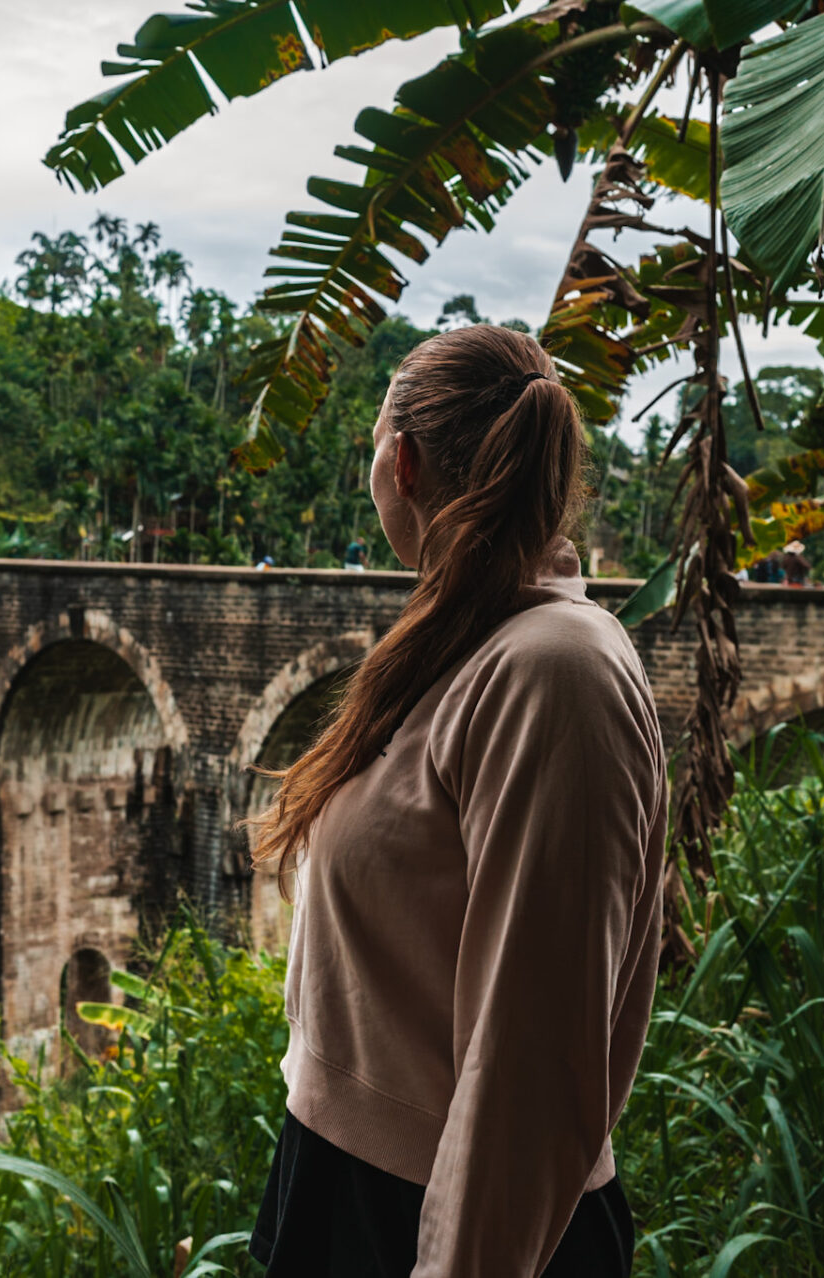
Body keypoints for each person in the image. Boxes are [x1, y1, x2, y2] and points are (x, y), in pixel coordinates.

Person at [244, 324, 662, 1278]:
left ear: (404, 461)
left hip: (455, 1217)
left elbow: (533, 1058)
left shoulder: (557, 671)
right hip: (344, 1181)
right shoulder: (458, 643)